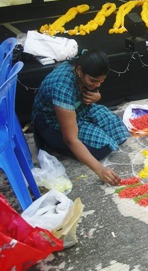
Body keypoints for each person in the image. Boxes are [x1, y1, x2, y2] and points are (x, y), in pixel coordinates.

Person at [32, 50, 130, 186]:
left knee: (118, 132)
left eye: (101, 82)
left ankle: (88, 130)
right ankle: (52, 143)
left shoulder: (83, 64)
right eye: (93, 81)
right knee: (101, 149)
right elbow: (71, 139)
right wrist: (100, 170)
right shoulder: (62, 87)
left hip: (79, 109)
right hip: (51, 122)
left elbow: (92, 89)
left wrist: (97, 95)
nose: (97, 85)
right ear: (79, 71)